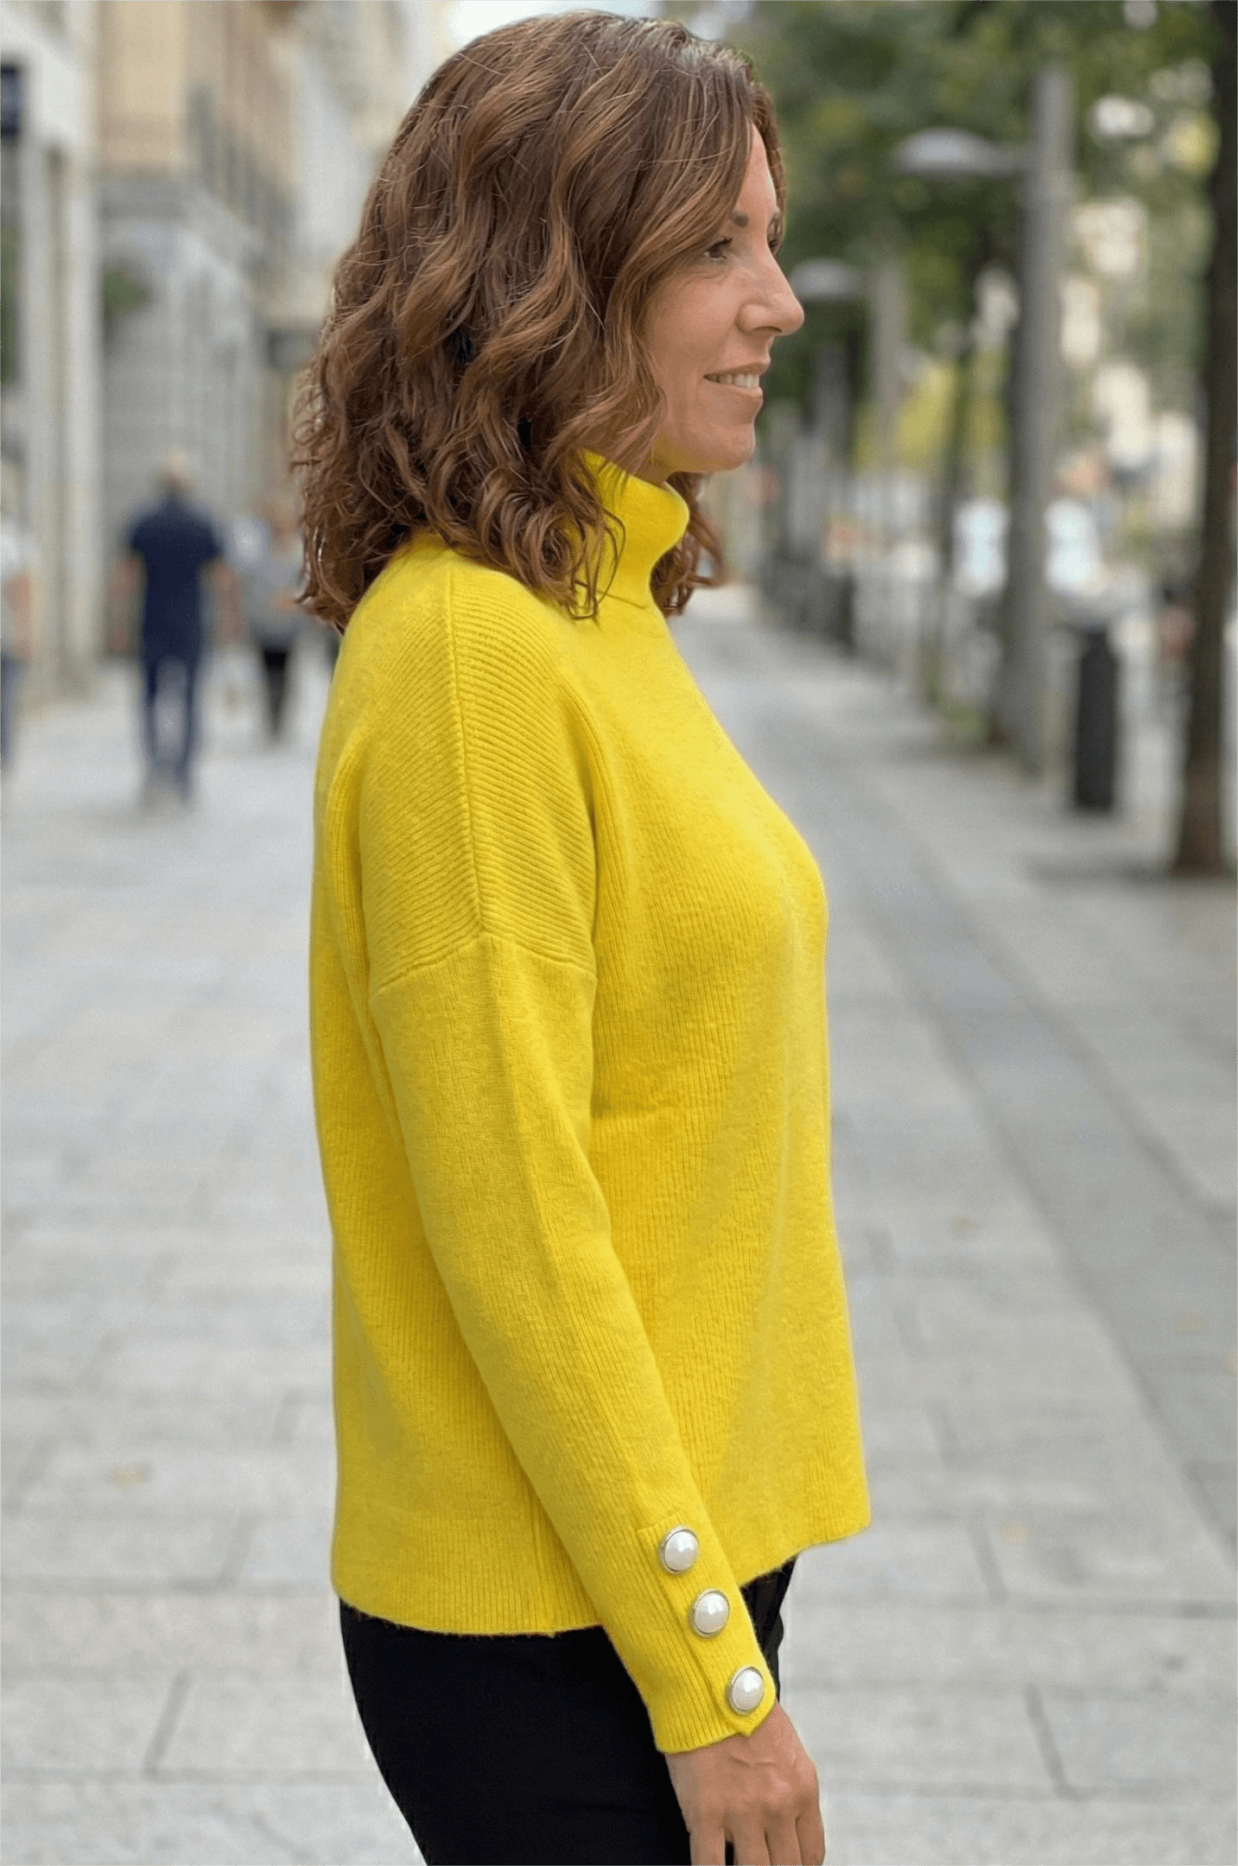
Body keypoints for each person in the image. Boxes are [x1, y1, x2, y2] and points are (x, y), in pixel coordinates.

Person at [297, 15, 870, 1866]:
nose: (777, 301)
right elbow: (515, 1222)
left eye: (767, 239)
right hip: (560, 1623)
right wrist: (713, 1685)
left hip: (644, 1565)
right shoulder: (473, 654)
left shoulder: (594, 606)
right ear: (547, 274)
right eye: (714, 248)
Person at [109, 450, 239, 803]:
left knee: (150, 698)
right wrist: (230, 623)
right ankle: (183, 772)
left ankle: (154, 766)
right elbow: (222, 579)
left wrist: (118, 624)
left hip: (151, 622)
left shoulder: (143, 521)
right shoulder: (202, 522)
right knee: (191, 698)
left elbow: (124, 577)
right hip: (190, 623)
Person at [231, 497, 304, 739]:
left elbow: (305, 583)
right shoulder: (258, 549)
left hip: (289, 623)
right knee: (265, 671)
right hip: (263, 620)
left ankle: (280, 715)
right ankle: (270, 715)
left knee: (285, 672)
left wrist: (292, 599)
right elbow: (247, 581)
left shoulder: (297, 550)